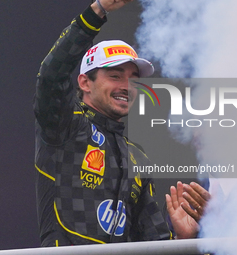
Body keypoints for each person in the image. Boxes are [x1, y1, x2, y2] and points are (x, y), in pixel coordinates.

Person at [33, 0, 209, 247]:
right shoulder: (65, 125)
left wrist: (183, 239)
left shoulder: (137, 157)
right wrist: (97, 12)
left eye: (133, 79)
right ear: (84, 83)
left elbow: (152, 242)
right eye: (115, 76)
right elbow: (52, 76)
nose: (126, 86)